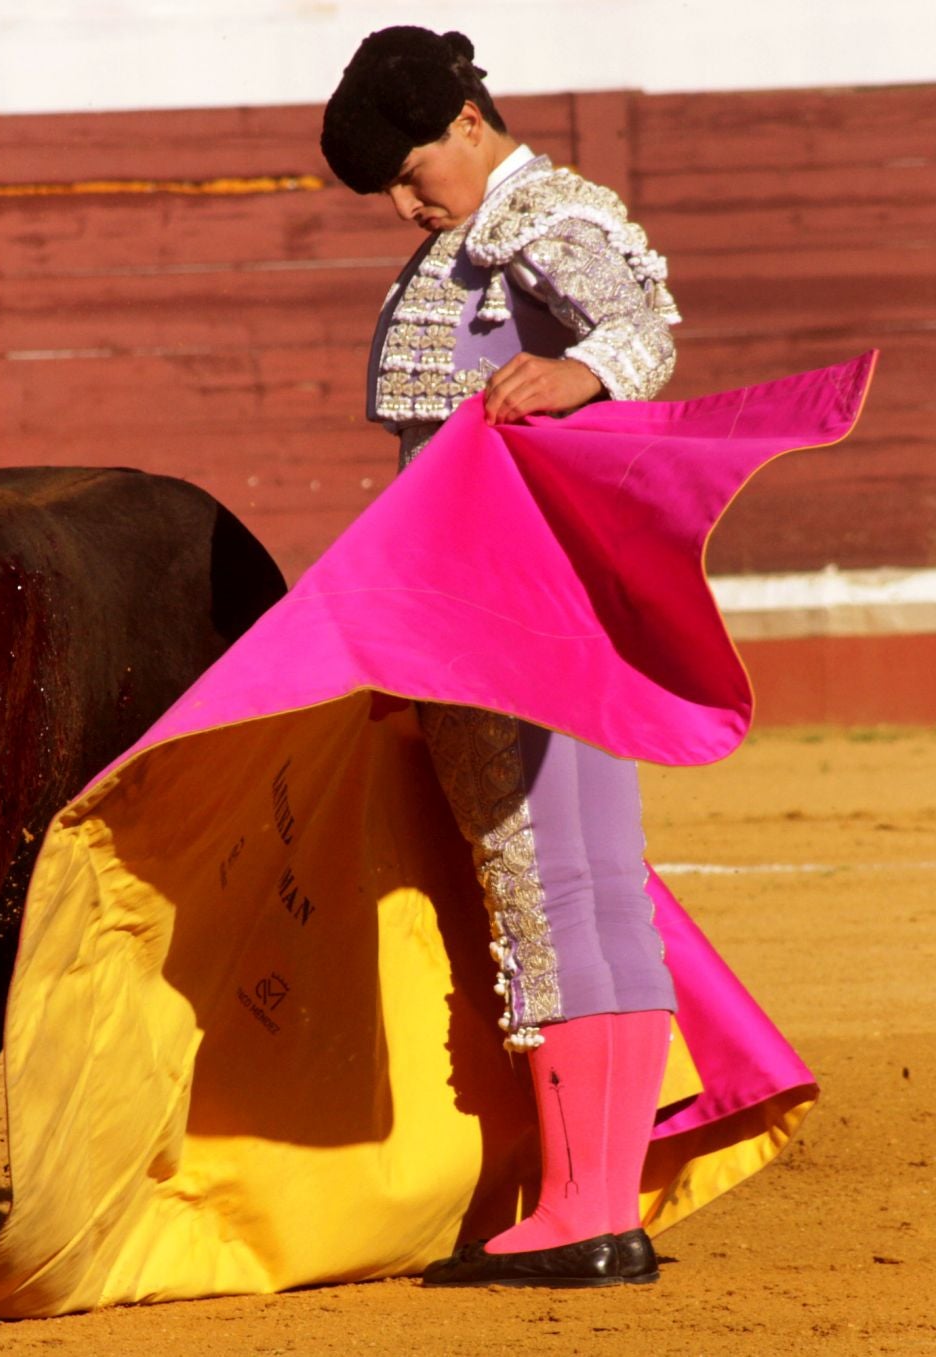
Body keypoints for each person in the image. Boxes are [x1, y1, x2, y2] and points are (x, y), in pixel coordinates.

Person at [321, 25, 685, 1289]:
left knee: (546, 890)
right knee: (591, 885)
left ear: (469, 121)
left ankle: (582, 1206)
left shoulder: (534, 222)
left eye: (415, 173)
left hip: (506, 613)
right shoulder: (482, 232)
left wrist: (580, 372)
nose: (406, 204)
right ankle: (601, 1202)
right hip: (530, 605)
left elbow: (642, 332)